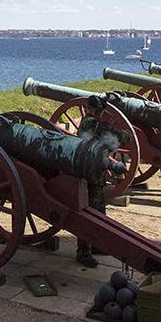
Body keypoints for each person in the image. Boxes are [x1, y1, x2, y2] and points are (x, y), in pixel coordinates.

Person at [73, 95, 117, 267]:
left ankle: (97, 244)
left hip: (96, 171)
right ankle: (83, 253)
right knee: (88, 213)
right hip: (90, 172)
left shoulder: (90, 123)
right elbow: (115, 140)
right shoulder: (92, 124)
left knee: (98, 211)